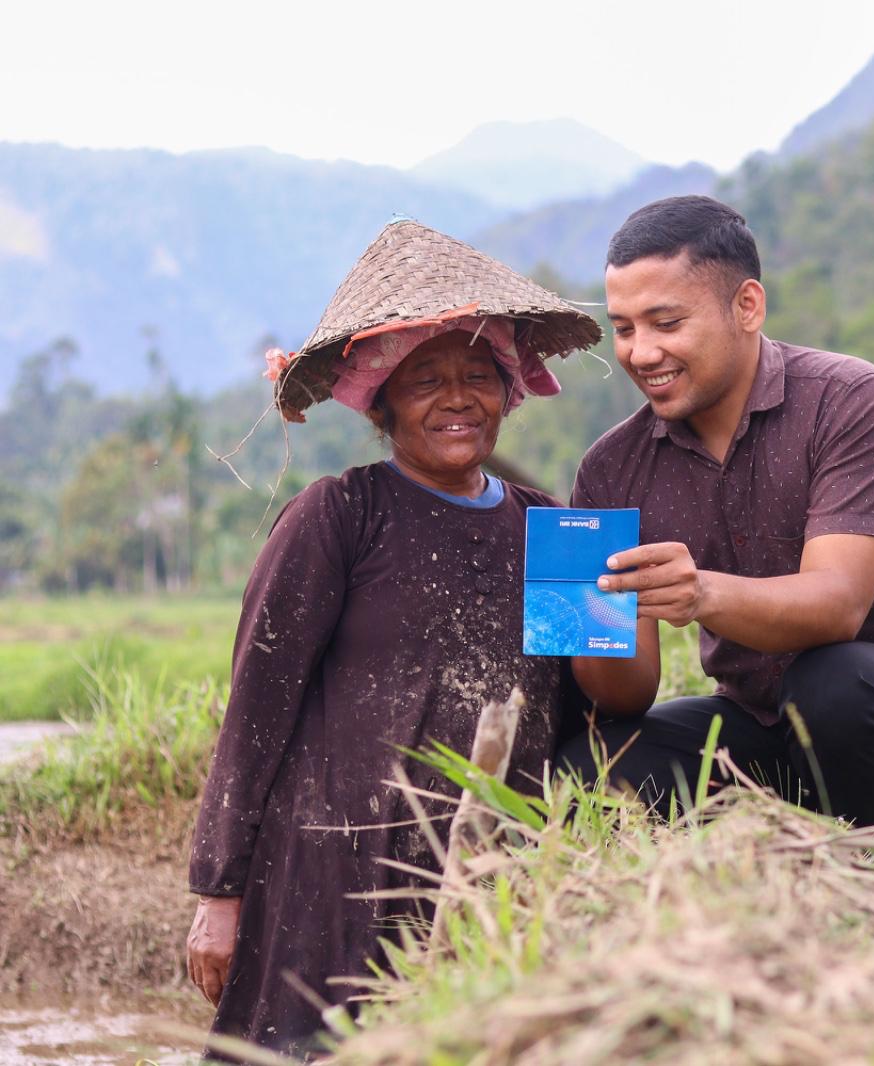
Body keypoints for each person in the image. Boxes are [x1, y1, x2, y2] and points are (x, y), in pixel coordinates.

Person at [185, 221, 600, 1059]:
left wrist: (630, 603)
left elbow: (591, 712)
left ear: (510, 390)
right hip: (329, 882)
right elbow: (257, 712)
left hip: (491, 877)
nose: (457, 399)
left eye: (478, 376)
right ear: (381, 402)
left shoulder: (559, 533)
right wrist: (217, 893)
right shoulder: (337, 517)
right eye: (425, 381)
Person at [558, 196, 874, 828]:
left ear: (747, 306)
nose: (640, 352)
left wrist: (699, 594)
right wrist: (587, 610)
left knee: (834, 681)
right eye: (625, 328)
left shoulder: (851, 401)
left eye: (666, 323)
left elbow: (837, 606)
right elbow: (625, 694)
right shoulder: (611, 468)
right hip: (765, 726)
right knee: (589, 766)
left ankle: (869, 883)